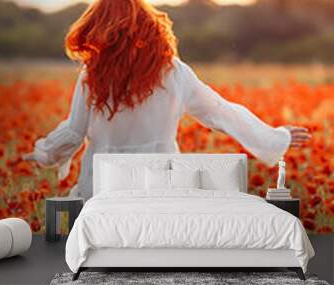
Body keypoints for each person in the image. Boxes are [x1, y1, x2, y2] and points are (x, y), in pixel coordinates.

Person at [23, 0, 311, 201]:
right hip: (161, 189)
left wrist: (44, 153)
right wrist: (275, 137)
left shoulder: (92, 76)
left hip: (101, 190)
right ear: (149, 27)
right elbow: (221, 112)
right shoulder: (173, 72)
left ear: (99, 29)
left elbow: (74, 132)